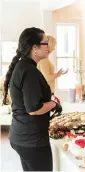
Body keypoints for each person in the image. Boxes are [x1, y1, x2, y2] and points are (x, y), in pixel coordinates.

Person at [3, 27, 62, 171]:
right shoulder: (30, 71)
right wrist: (54, 104)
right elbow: (34, 109)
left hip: (21, 135)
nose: (48, 46)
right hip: (31, 140)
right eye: (45, 43)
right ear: (34, 48)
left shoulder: (23, 66)